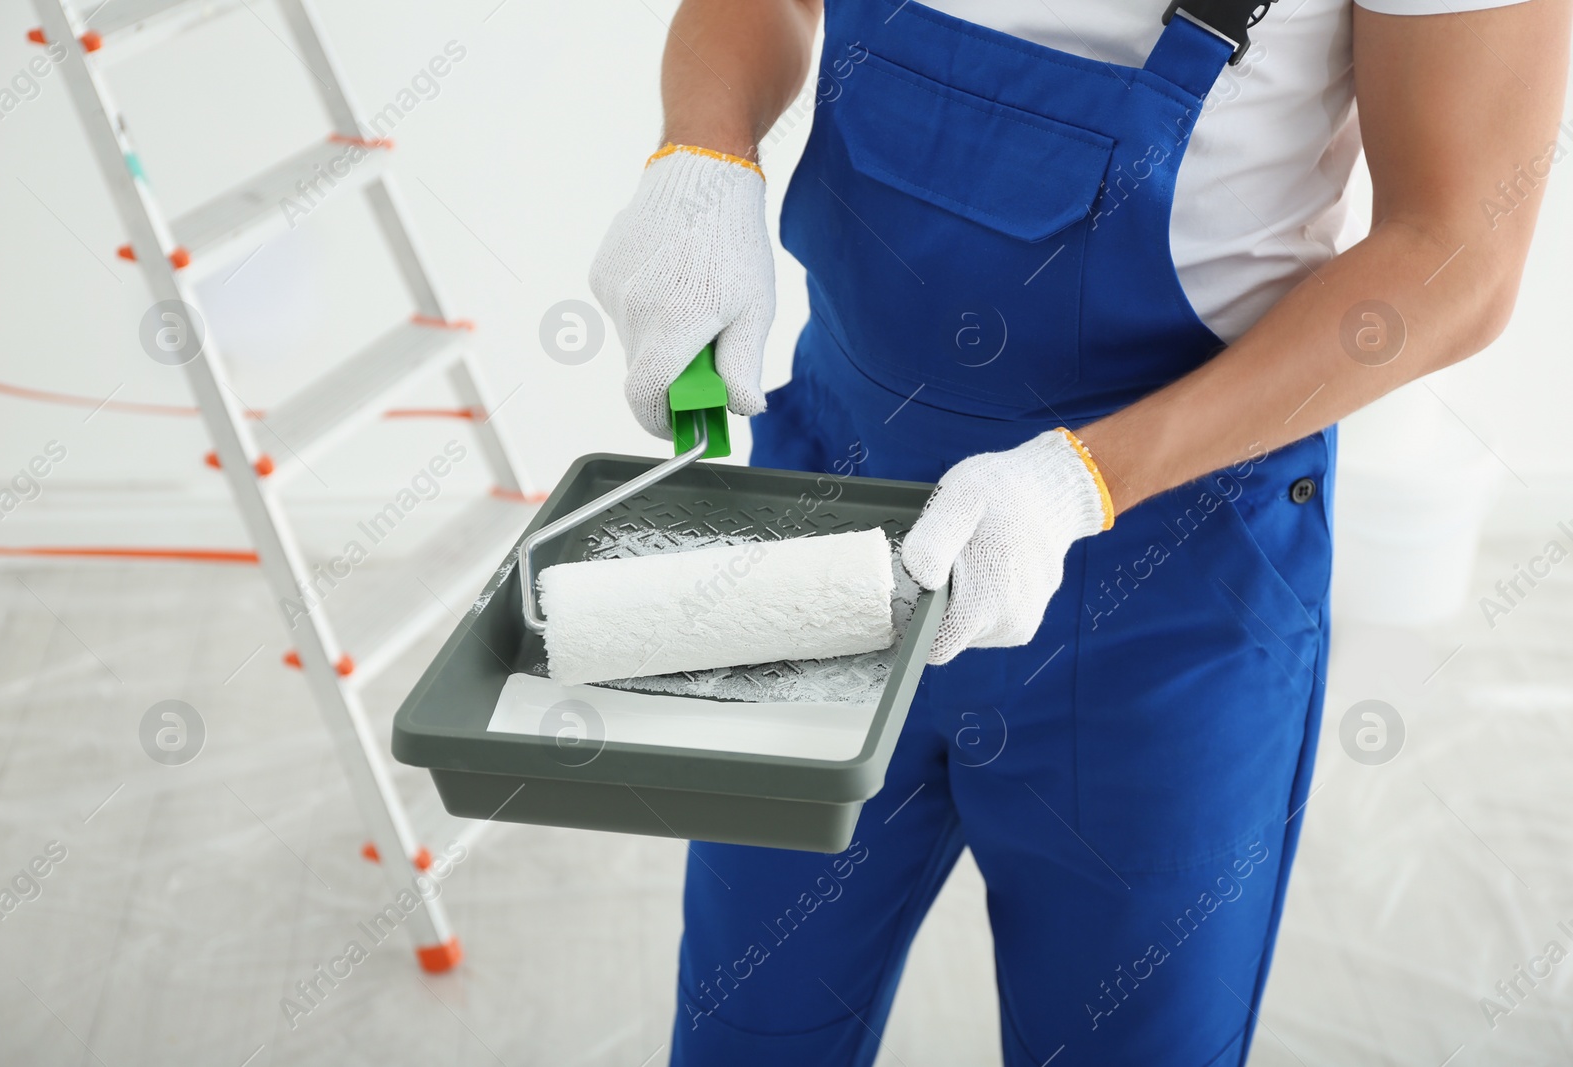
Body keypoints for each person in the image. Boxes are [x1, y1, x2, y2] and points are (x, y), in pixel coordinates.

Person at [588, 0, 1569, 1062]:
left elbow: (1456, 246)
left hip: (1165, 587)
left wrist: (1082, 480)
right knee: (748, 1025)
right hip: (833, 513)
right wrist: (702, 153)